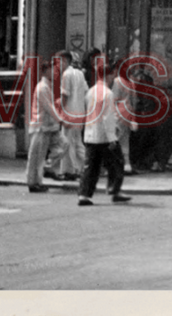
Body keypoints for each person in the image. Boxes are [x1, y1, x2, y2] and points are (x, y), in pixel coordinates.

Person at [78, 51, 132, 205]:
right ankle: (114, 190)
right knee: (117, 163)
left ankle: (84, 194)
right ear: (109, 76)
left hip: (90, 135)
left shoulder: (91, 92)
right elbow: (107, 118)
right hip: (104, 137)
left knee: (90, 166)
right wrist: (112, 138)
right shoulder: (107, 94)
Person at [24, 57, 59, 193]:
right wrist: (60, 119)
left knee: (38, 156)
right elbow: (49, 107)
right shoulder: (43, 87)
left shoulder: (46, 86)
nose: (55, 72)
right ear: (46, 71)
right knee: (36, 156)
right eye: (53, 70)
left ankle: (36, 181)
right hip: (40, 126)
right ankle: (34, 182)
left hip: (43, 126)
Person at [51, 50, 88, 180]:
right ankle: (86, 167)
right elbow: (86, 92)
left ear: (65, 61)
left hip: (69, 113)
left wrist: (59, 110)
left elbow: (65, 95)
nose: (57, 66)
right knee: (78, 143)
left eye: (58, 62)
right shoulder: (80, 74)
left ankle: (71, 171)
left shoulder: (66, 74)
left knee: (68, 143)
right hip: (80, 114)